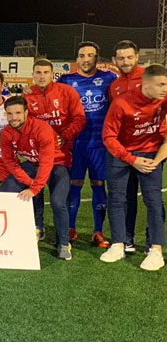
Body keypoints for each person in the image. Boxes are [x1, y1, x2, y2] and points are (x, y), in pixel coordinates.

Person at [100, 64, 167, 270]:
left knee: (154, 199)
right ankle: (118, 244)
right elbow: (108, 137)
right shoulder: (121, 103)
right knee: (117, 199)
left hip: (150, 154)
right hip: (121, 154)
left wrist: (156, 162)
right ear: (146, 84)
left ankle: (156, 249)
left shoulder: (164, 100)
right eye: (161, 84)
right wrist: (131, 159)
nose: (165, 88)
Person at [59, 41, 117, 247]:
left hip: (100, 144)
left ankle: (98, 232)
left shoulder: (109, 78)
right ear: (76, 59)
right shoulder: (66, 80)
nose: (86, 59)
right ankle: (70, 228)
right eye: (82, 55)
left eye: (90, 55)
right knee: (73, 186)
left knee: (99, 187)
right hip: (75, 144)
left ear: (97, 59)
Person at [0, 97, 72, 260]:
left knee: (58, 202)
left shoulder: (41, 128)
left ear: (26, 113)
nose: (13, 117)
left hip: (57, 163)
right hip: (32, 164)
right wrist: (30, 183)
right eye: (9, 114)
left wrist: (35, 187)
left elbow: (47, 162)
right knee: (5, 190)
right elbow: (10, 162)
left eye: (17, 113)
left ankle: (64, 243)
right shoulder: (5, 133)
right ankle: (36, 228)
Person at [24, 59, 86, 241]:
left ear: (52, 74)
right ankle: (38, 226)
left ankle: (63, 235)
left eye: (45, 72)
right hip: (38, 155)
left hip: (62, 154)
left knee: (59, 197)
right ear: (33, 75)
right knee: (35, 190)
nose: (41, 76)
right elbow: (25, 125)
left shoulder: (67, 92)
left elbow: (80, 119)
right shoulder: (27, 97)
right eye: (38, 72)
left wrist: (64, 136)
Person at [110, 40, 146, 252]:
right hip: (121, 150)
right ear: (115, 60)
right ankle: (126, 240)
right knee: (124, 195)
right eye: (121, 58)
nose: (125, 62)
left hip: (147, 147)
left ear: (137, 57)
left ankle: (154, 244)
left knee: (151, 198)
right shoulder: (114, 86)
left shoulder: (149, 78)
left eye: (129, 57)